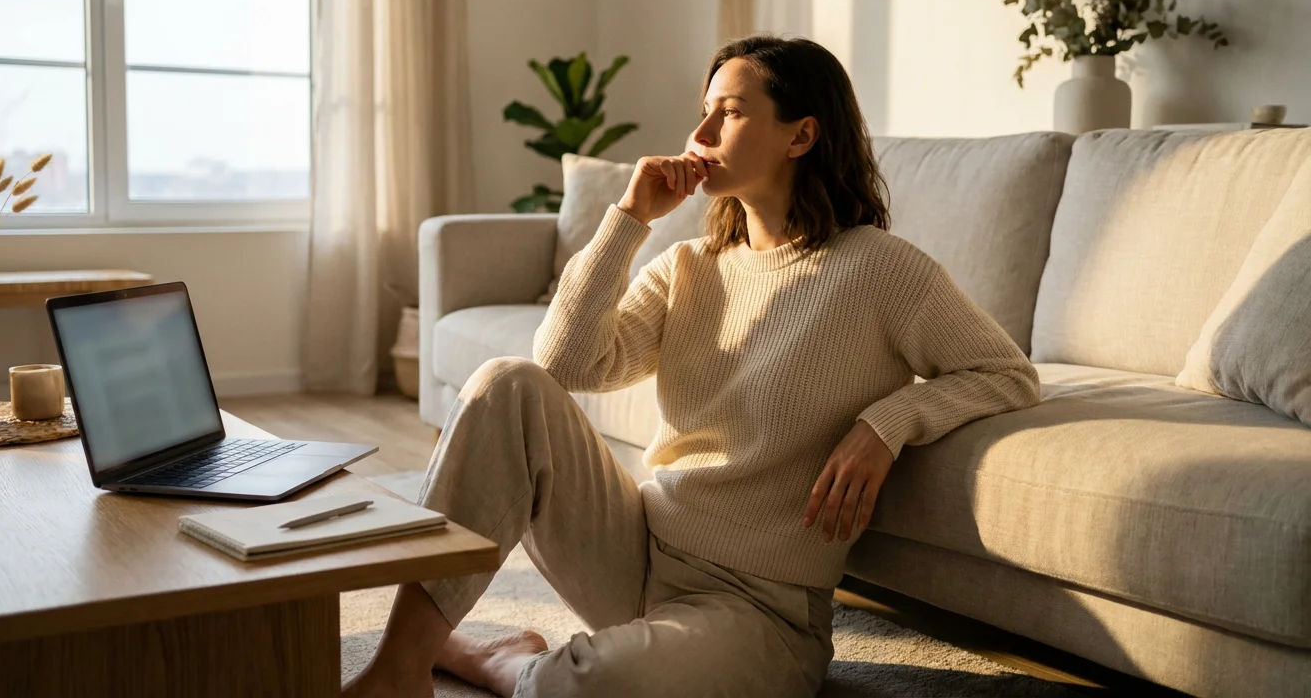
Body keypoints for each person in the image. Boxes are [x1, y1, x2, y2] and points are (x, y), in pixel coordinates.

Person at [343, 35, 1041, 698]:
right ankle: (399, 667)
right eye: (702, 111)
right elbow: (562, 362)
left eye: (730, 112)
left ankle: (498, 659)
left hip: (760, 610)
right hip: (638, 550)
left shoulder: (880, 269)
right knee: (507, 382)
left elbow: (1005, 373)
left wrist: (888, 422)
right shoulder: (688, 266)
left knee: (592, 685)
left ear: (801, 134)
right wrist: (628, 218)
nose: (700, 134)